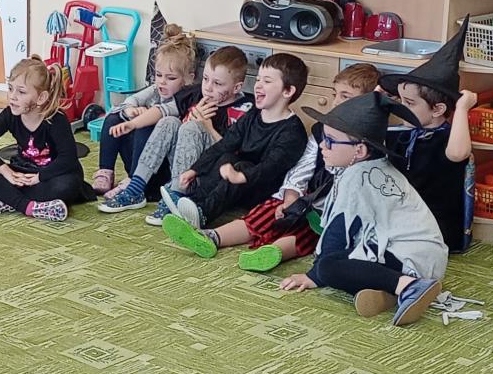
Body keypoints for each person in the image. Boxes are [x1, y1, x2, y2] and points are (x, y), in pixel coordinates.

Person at [161, 63, 379, 271]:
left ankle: (274, 252)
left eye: (345, 96)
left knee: (309, 232)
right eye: (335, 94)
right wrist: (290, 198)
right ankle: (211, 237)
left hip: (333, 210)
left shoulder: (371, 146)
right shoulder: (320, 131)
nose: (336, 102)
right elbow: (301, 169)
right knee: (266, 213)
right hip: (306, 197)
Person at [276, 92, 447, 327]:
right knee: (343, 262)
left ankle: (410, 286)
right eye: (323, 138)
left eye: (331, 141)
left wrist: (315, 275)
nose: (323, 146)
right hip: (424, 256)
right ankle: (390, 290)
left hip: (410, 257)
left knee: (329, 266)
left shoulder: (357, 177)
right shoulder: (372, 166)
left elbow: (339, 232)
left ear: (360, 151)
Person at [165, 53, 309, 228]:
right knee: (227, 157)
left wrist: (241, 176)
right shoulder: (253, 115)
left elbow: (270, 167)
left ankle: (202, 214)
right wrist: (194, 169)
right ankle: (192, 202)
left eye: (267, 81)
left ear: (288, 91)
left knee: (241, 165)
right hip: (239, 181)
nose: (258, 85)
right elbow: (225, 144)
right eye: (258, 79)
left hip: (264, 189)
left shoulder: (292, 132)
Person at [380, 17, 475, 251]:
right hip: (402, 217)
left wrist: (462, 108)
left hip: (433, 228)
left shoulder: (446, 138)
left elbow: (458, 154)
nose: (402, 107)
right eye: (400, 100)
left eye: (410, 103)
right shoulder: (402, 135)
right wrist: (378, 100)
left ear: (438, 110)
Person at [130, 45, 253, 225]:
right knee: (169, 121)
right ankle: (135, 187)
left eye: (217, 84)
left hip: (212, 173)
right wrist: (131, 124)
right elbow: (164, 110)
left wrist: (207, 127)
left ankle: (177, 195)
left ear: (236, 87)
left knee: (192, 128)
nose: (208, 88)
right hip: (182, 169)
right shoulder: (196, 94)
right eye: (206, 79)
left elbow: (237, 155)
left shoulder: (245, 110)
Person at [0, 57, 95, 221]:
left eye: (21, 92)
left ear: (41, 98)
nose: (12, 97)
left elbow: (68, 159)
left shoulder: (56, 120)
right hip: (23, 173)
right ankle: (28, 207)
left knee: (67, 185)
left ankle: (9, 200)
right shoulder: (10, 115)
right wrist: (7, 172)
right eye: (10, 89)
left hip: (50, 176)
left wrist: (39, 177)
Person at [96, 24, 195, 211]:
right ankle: (105, 172)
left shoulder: (184, 99)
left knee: (146, 125)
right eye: (158, 75)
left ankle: (134, 184)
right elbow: (131, 100)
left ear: (188, 79)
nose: (162, 82)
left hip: (160, 170)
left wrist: (134, 122)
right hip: (141, 159)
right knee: (114, 117)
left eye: (171, 78)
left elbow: (160, 112)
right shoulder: (157, 89)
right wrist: (130, 110)